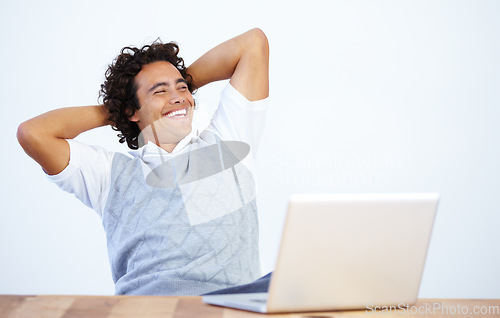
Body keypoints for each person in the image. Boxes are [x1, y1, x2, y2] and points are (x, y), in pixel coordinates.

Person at [17, 28, 270, 296]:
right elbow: (33, 133)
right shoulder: (108, 174)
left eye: (183, 88)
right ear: (132, 111)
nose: (179, 97)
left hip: (229, 308)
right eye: (159, 91)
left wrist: (175, 93)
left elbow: (253, 44)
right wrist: (119, 107)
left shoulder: (229, 140)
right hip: (143, 309)